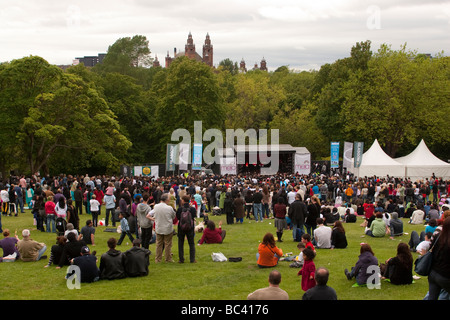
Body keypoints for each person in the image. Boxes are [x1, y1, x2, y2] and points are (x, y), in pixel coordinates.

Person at [427, 217, 450, 300]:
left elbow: (430, 249)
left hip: (433, 272)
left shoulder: (437, 237)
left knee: (432, 297)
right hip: (445, 276)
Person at [153, 193, 176, 263]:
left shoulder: (156, 206)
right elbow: (173, 216)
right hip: (167, 228)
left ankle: (158, 259)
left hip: (159, 227)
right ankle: (168, 258)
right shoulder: (169, 208)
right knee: (168, 244)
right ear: (167, 199)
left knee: (159, 244)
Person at [176, 195, 196, 263]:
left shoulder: (180, 209)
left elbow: (178, 217)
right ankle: (192, 259)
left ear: (183, 201)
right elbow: (193, 216)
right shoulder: (192, 209)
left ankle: (181, 259)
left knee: (180, 244)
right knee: (191, 244)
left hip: (181, 227)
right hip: (190, 227)